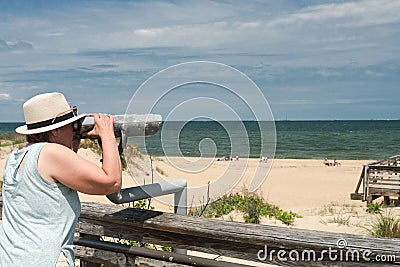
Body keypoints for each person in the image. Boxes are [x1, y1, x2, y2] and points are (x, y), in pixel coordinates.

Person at [0, 92, 122, 267]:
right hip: (45, 260)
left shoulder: (17, 156)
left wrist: (77, 135)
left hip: (11, 258)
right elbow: (112, 182)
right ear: (55, 130)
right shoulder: (50, 153)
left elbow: (67, 171)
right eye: (71, 125)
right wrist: (107, 135)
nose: (74, 129)